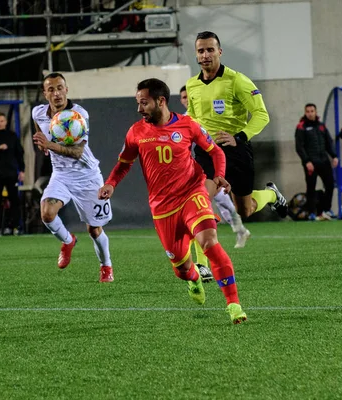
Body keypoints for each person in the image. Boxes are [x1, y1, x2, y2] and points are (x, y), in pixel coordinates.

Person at [98, 78, 247, 324]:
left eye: (144, 103)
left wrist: (219, 174)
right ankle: (194, 279)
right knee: (182, 270)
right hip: (162, 208)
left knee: (209, 242)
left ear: (161, 101)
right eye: (138, 103)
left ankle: (233, 304)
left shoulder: (188, 125)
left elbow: (215, 151)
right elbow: (124, 164)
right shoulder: (136, 132)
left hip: (192, 192)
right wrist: (111, 183)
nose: (139, 109)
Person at [185, 30, 287, 221]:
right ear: (196, 54)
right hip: (207, 151)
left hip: (235, 150)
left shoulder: (237, 80)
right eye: (201, 51)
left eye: (210, 50)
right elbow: (192, 116)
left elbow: (261, 114)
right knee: (201, 198)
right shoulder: (192, 84)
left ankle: (271, 195)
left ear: (220, 52)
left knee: (245, 210)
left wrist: (239, 137)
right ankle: (205, 243)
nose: (205, 55)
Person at [32, 72, 114, 283]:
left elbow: (77, 152)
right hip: (61, 175)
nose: (56, 93)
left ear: (66, 90)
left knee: (94, 230)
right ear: (45, 93)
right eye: (51, 89)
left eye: (60, 88)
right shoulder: (38, 113)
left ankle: (106, 266)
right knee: (47, 214)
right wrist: (43, 145)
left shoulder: (78, 114)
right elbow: (39, 129)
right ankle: (68, 241)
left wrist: (50, 145)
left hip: (87, 176)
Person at [180, 85, 251, 249]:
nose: (186, 100)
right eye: (184, 97)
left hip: (208, 166)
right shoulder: (181, 120)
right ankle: (239, 230)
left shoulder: (207, 116)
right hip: (191, 168)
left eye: (188, 96)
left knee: (208, 201)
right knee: (220, 201)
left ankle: (211, 240)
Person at [295, 103, 339, 221]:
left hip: (324, 161)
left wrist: (334, 156)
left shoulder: (321, 126)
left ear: (316, 112)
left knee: (330, 184)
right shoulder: (301, 127)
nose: (310, 113)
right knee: (311, 187)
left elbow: (329, 142)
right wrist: (307, 161)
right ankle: (311, 212)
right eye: (308, 111)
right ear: (305, 113)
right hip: (311, 163)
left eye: (312, 111)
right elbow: (299, 147)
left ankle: (326, 210)